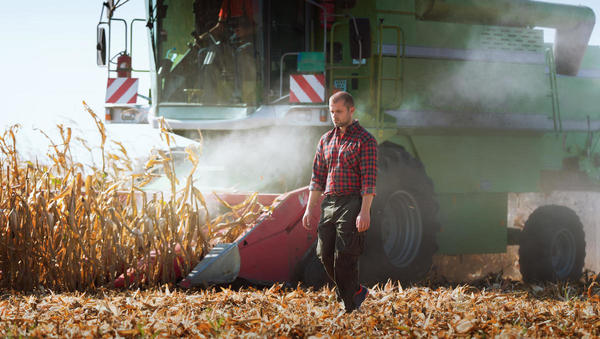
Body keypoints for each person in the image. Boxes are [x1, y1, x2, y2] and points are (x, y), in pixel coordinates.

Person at [302, 91, 378, 313]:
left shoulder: (365, 140)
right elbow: (317, 178)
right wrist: (309, 209)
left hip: (352, 202)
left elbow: (369, 181)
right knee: (324, 255)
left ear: (351, 110)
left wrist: (365, 211)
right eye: (332, 111)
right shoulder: (325, 140)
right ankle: (354, 291)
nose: (334, 116)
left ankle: (350, 308)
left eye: (339, 111)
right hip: (329, 202)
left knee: (344, 256)